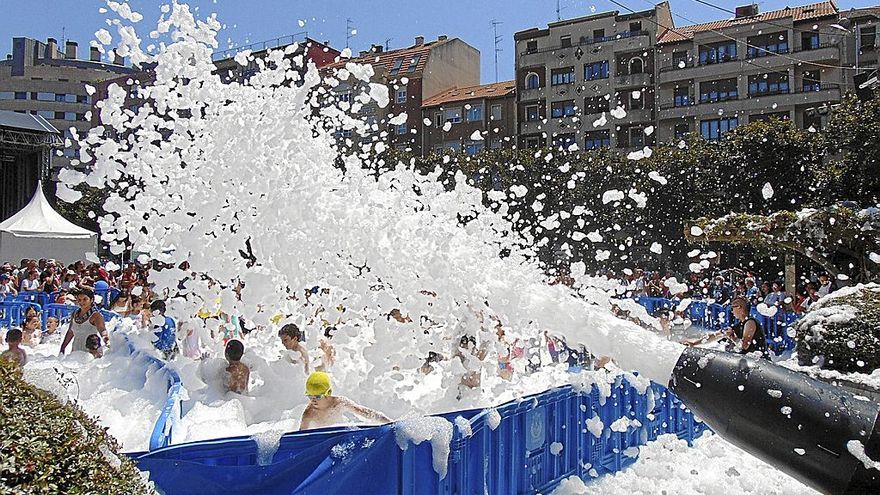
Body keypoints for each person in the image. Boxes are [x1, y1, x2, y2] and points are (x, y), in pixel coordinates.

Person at [299, 371, 391, 431]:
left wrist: (390, 422)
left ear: (328, 393)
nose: (313, 400)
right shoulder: (309, 414)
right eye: (310, 396)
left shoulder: (339, 403)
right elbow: (300, 438)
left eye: (318, 396)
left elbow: (366, 412)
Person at [685, 297, 766, 357]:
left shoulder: (750, 323)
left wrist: (732, 337)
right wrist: (695, 343)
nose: (731, 311)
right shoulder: (738, 326)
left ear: (739, 307)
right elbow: (717, 335)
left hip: (759, 362)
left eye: (732, 308)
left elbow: (745, 345)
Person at [60, 288, 108, 355]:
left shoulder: (96, 315)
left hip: (90, 354)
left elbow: (102, 330)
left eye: (85, 299)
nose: (81, 302)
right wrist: (63, 347)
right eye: (79, 300)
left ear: (91, 300)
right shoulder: (74, 314)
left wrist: (106, 341)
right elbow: (70, 332)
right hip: (75, 353)